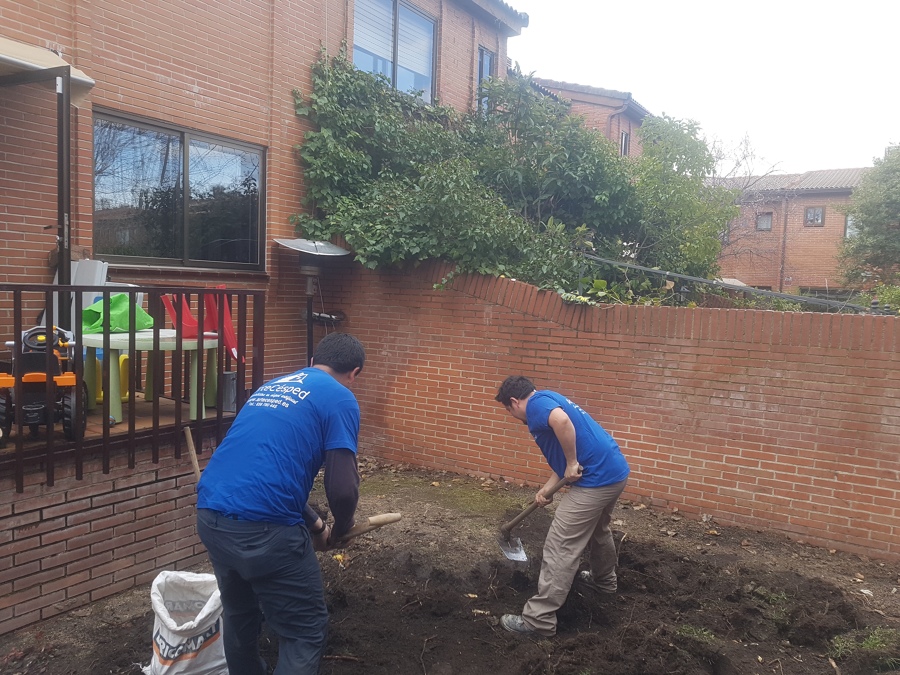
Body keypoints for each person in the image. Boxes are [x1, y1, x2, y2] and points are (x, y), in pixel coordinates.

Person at [196, 332, 366, 674]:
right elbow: (343, 490)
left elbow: (265, 475)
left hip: (211, 515)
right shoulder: (340, 397)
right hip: (266, 532)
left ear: (314, 361)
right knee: (304, 631)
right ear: (354, 373)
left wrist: (317, 527)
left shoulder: (271, 387)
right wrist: (342, 527)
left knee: (240, 614)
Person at [494, 375, 630, 638]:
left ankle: (538, 620)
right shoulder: (547, 397)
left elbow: (562, 422)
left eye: (508, 410)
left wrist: (571, 463)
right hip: (614, 472)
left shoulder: (536, 407)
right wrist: (547, 488)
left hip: (596, 480)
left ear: (514, 402)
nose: (512, 415)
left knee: (560, 545)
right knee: (598, 530)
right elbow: (566, 452)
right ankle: (604, 582)